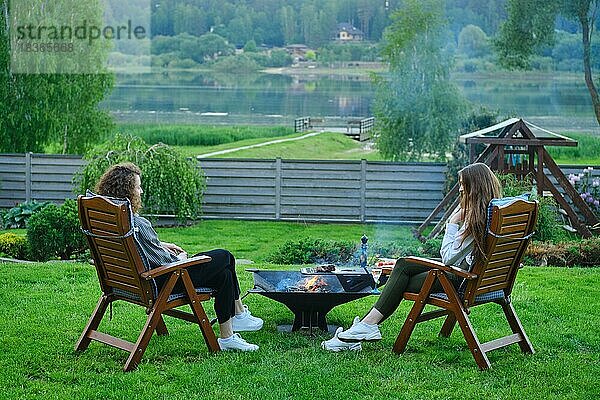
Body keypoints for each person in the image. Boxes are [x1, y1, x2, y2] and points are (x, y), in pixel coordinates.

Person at [322, 162, 502, 351]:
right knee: (402, 266)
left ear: (474, 187)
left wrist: (452, 223)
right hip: (478, 279)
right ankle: (361, 329)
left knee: (400, 279)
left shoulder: (475, 221)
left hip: (460, 281)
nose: (460, 189)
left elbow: (448, 258)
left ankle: (359, 331)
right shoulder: (492, 215)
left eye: (462, 184)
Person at [95, 162, 263, 352]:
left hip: (127, 281)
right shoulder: (138, 224)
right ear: (126, 191)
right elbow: (166, 263)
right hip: (166, 280)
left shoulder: (112, 219)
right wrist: (182, 259)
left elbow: (136, 247)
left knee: (223, 276)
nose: (141, 191)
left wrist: (160, 245)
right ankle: (238, 317)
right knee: (225, 257)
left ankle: (228, 335)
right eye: (138, 187)